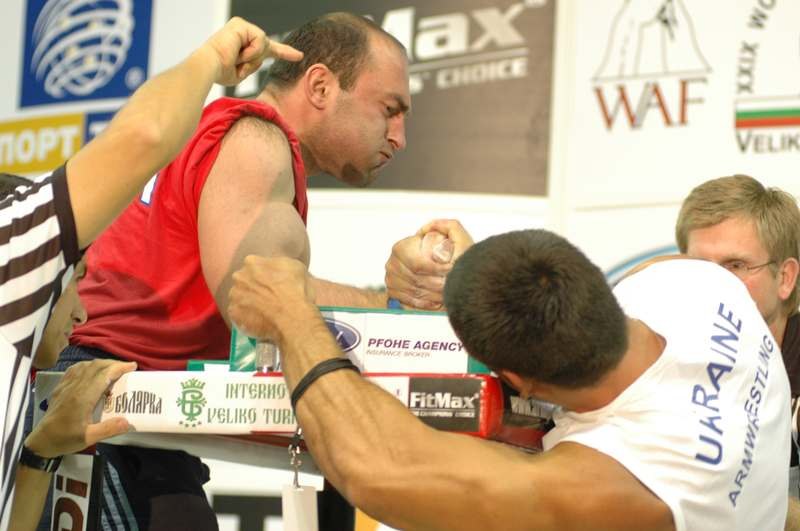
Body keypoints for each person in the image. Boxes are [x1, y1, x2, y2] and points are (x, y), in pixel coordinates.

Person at [41, 11, 414, 530]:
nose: (399, 136)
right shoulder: (256, 141)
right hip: (108, 407)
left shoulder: (216, 127)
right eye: (389, 110)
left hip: (106, 402)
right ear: (322, 86)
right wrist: (408, 316)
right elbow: (257, 301)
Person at [228, 229, 790, 530]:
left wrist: (293, 318)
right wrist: (482, 277)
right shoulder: (696, 286)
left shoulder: (623, 486)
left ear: (514, 379)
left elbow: (379, 471)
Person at [0, 16, 294, 530]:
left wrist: (41, 454)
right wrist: (212, 57)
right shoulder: (14, 248)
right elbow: (145, 134)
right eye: (75, 275)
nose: (84, 305)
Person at [674, 174, 800, 526]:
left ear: (785, 278)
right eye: (700, 267)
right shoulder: (664, 364)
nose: (714, 283)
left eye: (736, 265)